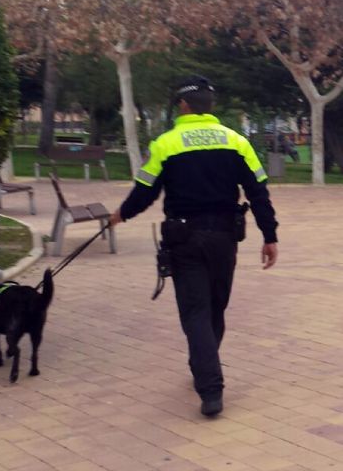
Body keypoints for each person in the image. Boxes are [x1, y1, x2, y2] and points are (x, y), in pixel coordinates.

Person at [110, 75, 278, 418]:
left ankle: (209, 383)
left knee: (196, 312)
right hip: (224, 239)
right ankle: (207, 373)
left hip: (184, 239)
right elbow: (258, 192)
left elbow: (145, 192)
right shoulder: (237, 141)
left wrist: (121, 215)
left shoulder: (165, 144)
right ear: (209, 107)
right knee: (214, 307)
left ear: (183, 106)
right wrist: (269, 235)